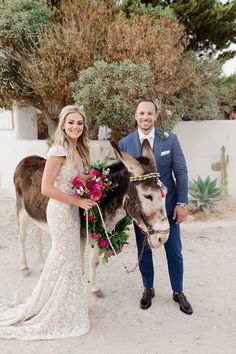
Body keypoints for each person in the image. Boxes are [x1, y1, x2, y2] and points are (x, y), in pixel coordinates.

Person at [0, 105, 96, 340]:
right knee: (63, 255)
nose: (75, 126)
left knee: (70, 257)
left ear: (84, 127)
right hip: (61, 210)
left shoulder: (78, 149)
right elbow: (46, 188)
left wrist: (91, 185)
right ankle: (48, 307)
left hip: (72, 209)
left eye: (79, 123)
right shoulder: (58, 150)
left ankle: (67, 304)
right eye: (71, 122)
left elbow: (76, 179)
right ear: (63, 124)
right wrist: (76, 200)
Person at [119, 99, 193, 315]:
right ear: (135, 115)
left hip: (167, 209)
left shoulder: (169, 139)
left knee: (174, 251)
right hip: (142, 212)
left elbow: (181, 172)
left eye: (149, 113)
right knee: (144, 252)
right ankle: (148, 288)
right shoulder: (125, 144)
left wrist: (181, 203)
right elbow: (124, 179)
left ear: (156, 116)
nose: (145, 117)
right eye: (141, 113)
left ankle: (178, 291)